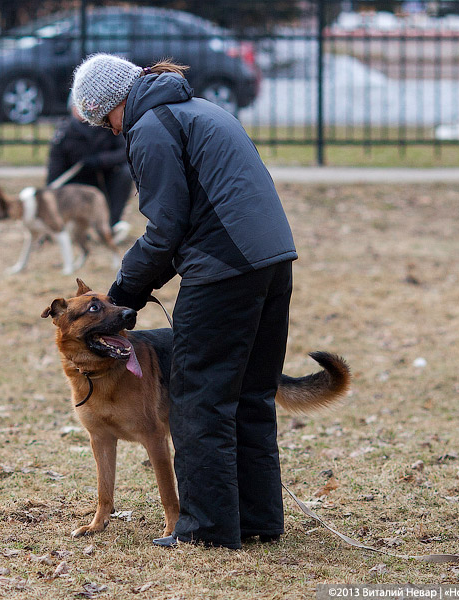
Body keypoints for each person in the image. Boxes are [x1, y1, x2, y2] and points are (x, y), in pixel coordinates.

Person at [71, 53, 298, 549]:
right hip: (274, 260)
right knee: (250, 394)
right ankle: (256, 519)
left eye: (104, 118)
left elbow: (166, 228)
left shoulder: (151, 126)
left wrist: (122, 296)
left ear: (114, 102)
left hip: (224, 269)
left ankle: (208, 529)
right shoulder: (201, 109)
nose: (111, 131)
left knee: (200, 397)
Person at [47, 94, 134, 238]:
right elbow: (55, 170)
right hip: (75, 182)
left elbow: (125, 152)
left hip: (104, 177)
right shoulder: (64, 133)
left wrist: (100, 160)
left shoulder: (106, 124)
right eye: (79, 106)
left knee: (125, 174)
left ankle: (111, 225)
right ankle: (74, 227)